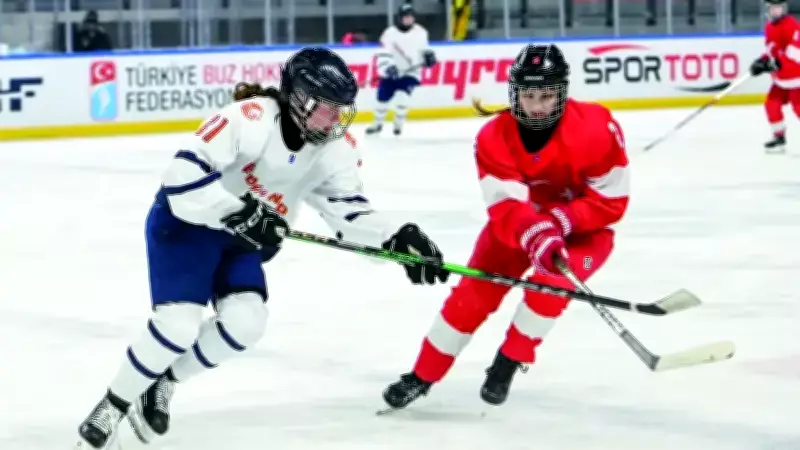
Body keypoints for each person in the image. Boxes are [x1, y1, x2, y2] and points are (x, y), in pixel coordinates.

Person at [73, 47, 450, 449]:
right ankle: (113, 404)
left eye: (341, 110)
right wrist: (237, 210)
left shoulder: (334, 150)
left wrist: (397, 237)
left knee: (247, 322)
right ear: (297, 97)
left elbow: (348, 212)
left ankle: (162, 382)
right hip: (187, 226)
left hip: (241, 241)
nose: (335, 120)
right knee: (178, 326)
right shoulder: (249, 119)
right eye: (325, 108)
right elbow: (180, 177)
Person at [380, 43, 630, 410]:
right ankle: (422, 376)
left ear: (562, 92)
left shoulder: (596, 127)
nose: (539, 106)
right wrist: (539, 232)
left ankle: (508, 362)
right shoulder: (493, 137)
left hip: (584, 233)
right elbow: (507, 208)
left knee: (552, 286)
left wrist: (563, 220)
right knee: (472, 296)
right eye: (530, 96)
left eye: (547, 95)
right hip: (519, 230)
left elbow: (611, 202)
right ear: (515, 93)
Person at [365, 4, 437, 136]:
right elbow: (383, 52)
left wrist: (429, 56)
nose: (408, 20)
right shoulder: (389, 33)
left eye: (411, 17)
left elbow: (425, 49)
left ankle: (398, 124)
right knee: (382, 100)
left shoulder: (421, 32)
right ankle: (377, 124)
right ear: (400, 18)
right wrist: (388, 67)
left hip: (411, 73)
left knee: (402, 98)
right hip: (391, 73)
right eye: (406, 17)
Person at [750, 0, 800, 154]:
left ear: (784, 9)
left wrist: (776, 63)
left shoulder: (792, 25)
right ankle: (779, 138)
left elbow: (796, 53)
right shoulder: (769, 27)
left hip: (796, 77)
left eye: (778, 8)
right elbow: (772, 50)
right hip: (780, 80)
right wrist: (762, 61)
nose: (775, 11)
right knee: (771, 104)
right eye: (773, 8)